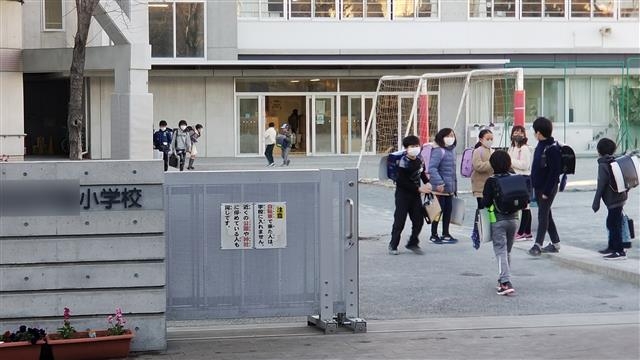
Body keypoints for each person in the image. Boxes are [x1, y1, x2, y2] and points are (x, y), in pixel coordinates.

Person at [482, 150, 519, 295]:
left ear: (492, 164)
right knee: (507, 251)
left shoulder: (491, 181)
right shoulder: (515, 178)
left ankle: (505, 281)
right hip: (514, 219)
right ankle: (502, 279)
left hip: (498, 220)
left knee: (500, 251)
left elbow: (485, 202)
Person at [389, 135, 431, 255]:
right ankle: (393, 244)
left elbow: (421, 173)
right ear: (406, 148)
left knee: (419, 220)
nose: (416, 148)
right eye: (412, 146)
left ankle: (413, 243)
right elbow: (401, 181)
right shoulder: (402, 162)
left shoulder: (419, 160)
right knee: (399, 221)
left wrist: (428, 183)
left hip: (416, 196)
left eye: (417, 146)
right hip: (403, 195)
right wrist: (419, 189)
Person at [528, 117, 562, 256]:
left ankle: (538, 245)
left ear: (539, 132)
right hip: (539, 187)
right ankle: (555, 243)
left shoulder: (552, 148)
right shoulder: (541, 146)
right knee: (547, 214)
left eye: (534, 131)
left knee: (543, 214)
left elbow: (554, 173)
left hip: (547, 188)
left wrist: (547, 191)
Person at [592, 138, 628, 260]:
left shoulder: (603, 165)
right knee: (612, 222)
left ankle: (619, 251)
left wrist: (595, 203)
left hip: (613, 200)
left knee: (613, 224)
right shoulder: (614, 161)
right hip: (620, 198)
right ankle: (612, 247)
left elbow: (601, 185)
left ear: (599, 151)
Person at [428, 128, 459, 244]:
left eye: (452, 135)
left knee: (448, 211)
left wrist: (454, 187)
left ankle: (446, 233)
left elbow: (452, 171)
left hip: (449, 189)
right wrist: (440, 182)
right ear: (441, 137)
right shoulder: (438, 150)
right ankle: (433, 234)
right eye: (448, 135)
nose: (451, 137)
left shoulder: (452, 150)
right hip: (439, 188)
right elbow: (432, 168)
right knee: (437, 211)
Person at [508, 125, 533, 240]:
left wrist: (510, 161)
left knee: (525, 206)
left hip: (524, 178)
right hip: (515, 177)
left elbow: (525, 165)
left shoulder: (524, 148)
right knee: (523, 205)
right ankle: (527, 232)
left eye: (520, 132)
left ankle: (522, 232)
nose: (518, 134)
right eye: (515, 131)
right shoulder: (512, 147)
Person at [471, 129, 495, 242]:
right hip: (480, 186)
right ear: (481, 139)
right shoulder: (477, 151)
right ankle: (479, 230)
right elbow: (477, 166)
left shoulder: (492, 151)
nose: (490, 141)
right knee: (481, 208)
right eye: (487, 139)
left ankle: (487, 230)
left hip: (491, 185)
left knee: (490, 208)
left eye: (491, 139)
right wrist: (491, 163)